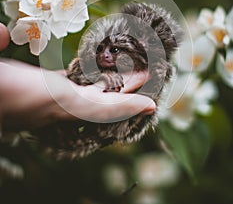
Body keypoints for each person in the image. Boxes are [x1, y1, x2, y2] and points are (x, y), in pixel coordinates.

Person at [0, 23, 155, 130]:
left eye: (113, 51)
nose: (104, 55)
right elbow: (77, 72)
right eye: (100, 49)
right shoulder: (83, 65)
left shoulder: (137, 69)